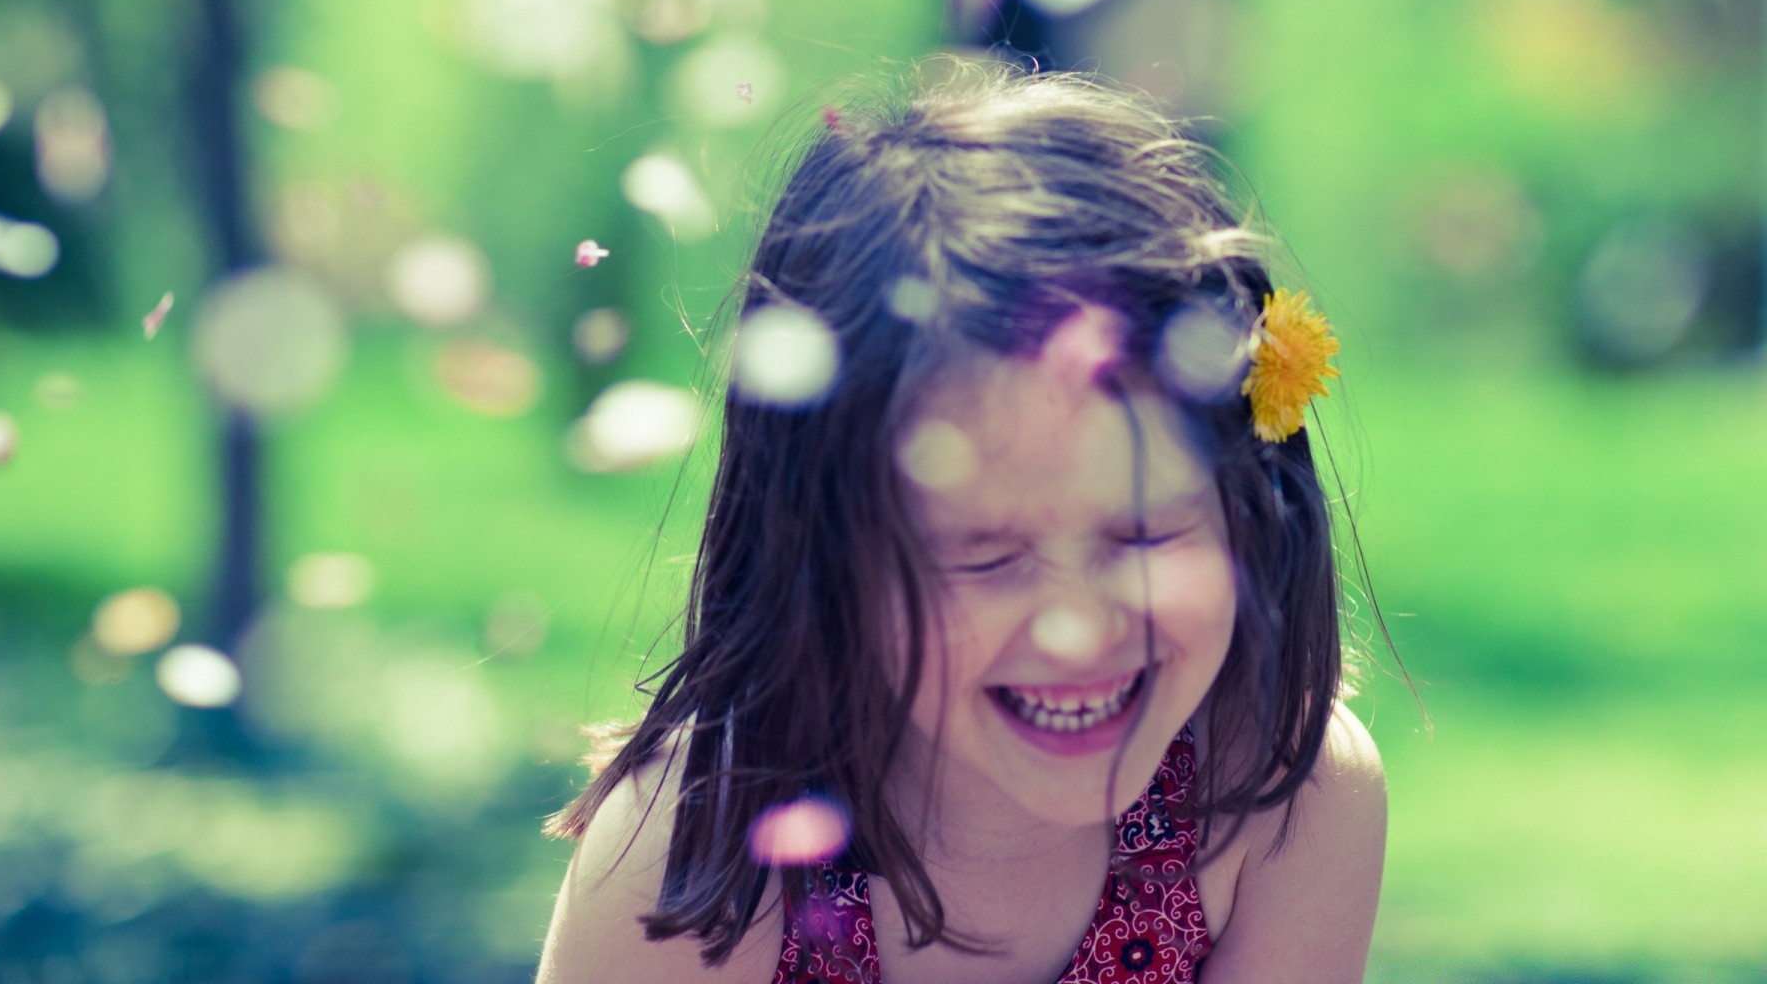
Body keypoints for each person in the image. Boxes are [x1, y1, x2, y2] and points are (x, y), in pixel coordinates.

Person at [537, 59, 1390, 984]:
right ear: (821, 554)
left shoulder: (1276, 803)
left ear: (1252, 516)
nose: (1080, 627)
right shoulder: (698, 862)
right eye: (983, 556)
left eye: (1142, 535)